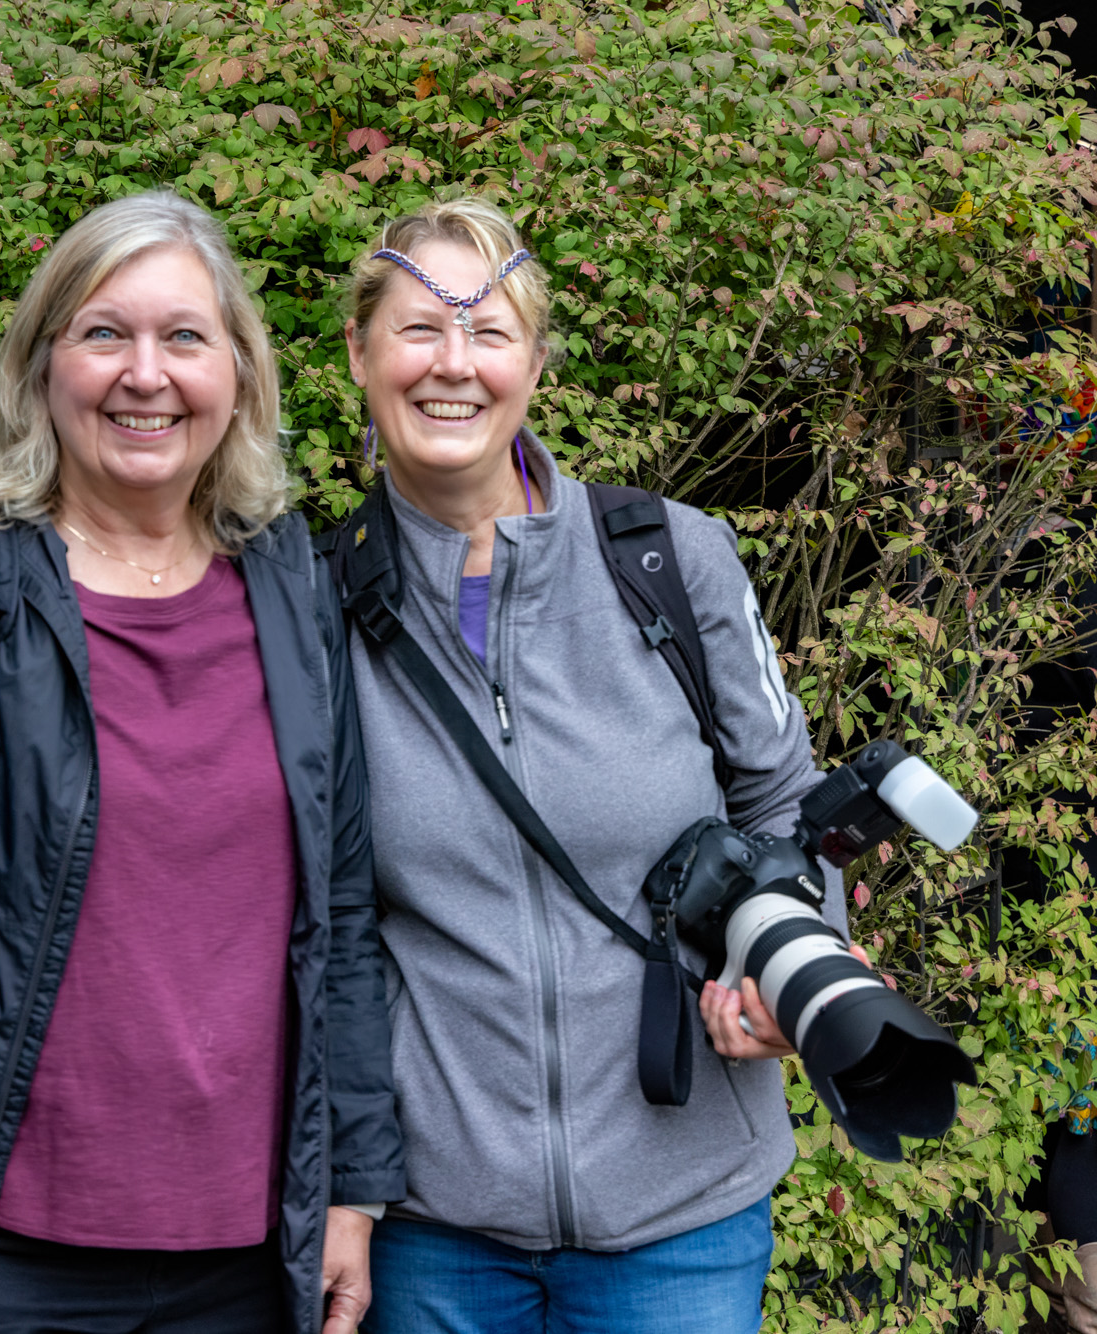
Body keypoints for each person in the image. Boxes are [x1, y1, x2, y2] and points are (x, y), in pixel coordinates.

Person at [0, 190, 404, 1334]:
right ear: (40, 368)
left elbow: (342, 910)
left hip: (251, 1257)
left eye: (184, 336)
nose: (145, 373)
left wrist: (352, 1187)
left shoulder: (292, 591)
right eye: (101, 333)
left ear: (237, 373)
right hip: (2, 1262)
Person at [330, 197, 873, 1334]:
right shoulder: (311, 597)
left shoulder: (669, 556)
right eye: (418, 328)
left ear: (532, 361)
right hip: (432, 1228)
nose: (452, 363)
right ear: (357, 351)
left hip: (680, 1220)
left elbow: (785, 804)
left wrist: (784, 973)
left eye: (488, 333)